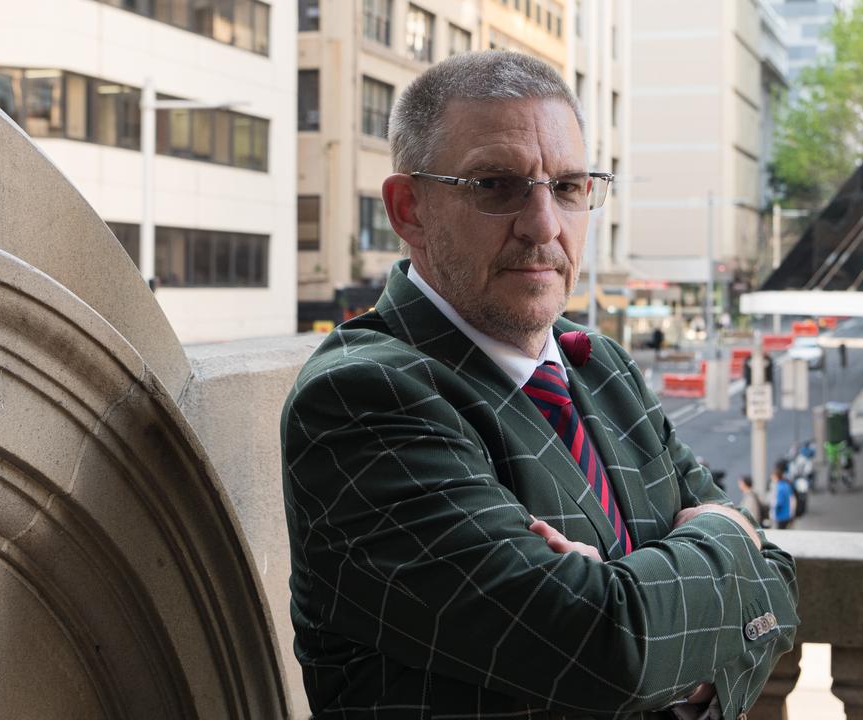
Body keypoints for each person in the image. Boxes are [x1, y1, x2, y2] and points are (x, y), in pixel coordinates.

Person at [280, 52, 798, 720]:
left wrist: (644, 615)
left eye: (571, 186)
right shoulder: (362, 398)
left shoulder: (600, 367)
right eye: (496, 186)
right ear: (408, 209)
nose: (544, 224)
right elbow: (611, 649)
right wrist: (727, 540)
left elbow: (780, 585)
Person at [772, 460, 796, 530]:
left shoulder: (780, 488)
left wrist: (774, 512)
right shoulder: (786, 485)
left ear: (776, 477)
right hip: (788, 513)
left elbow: (779, 503)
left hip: (781, 516)